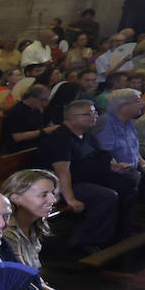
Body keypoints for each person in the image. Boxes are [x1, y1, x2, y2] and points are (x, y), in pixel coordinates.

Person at [35, 99, 136, 252]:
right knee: (106, 196)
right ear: (72, 117)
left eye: (95, 112)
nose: (95, 116)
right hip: (59, 185)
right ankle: (87, 241)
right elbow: (62, 172)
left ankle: (118, 233)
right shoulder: (60, 138)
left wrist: (114, 167)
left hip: (85, 179)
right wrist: (71, 199)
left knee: (128, 183)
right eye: (90, 113)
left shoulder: (87, 135)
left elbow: (100, 156)